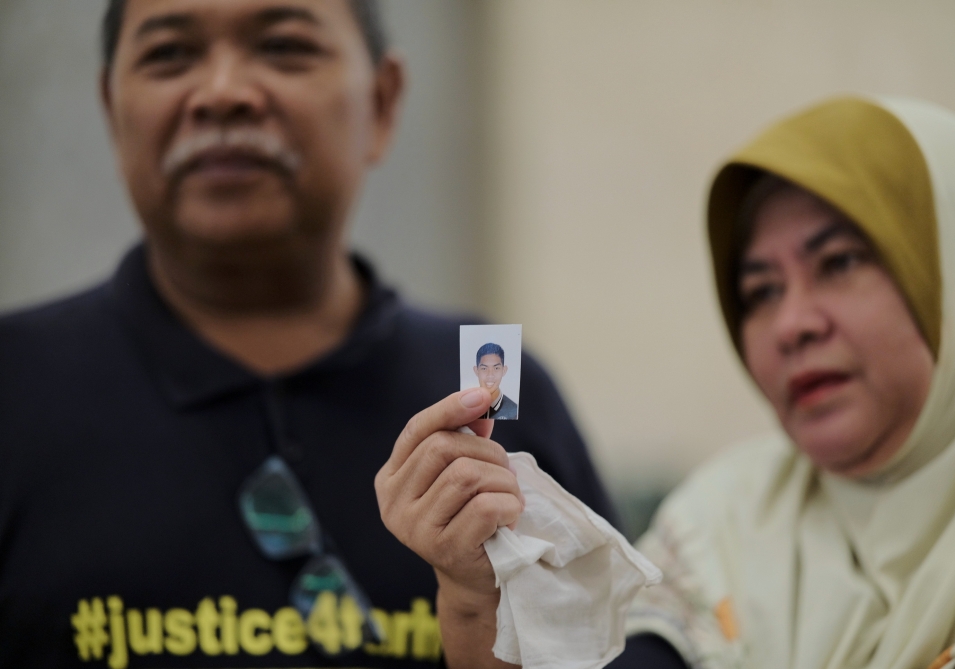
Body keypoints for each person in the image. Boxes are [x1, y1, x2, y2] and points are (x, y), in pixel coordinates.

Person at [0, 1, 615, 667]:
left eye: (284, 47)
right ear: (110, 108)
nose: (224, 92)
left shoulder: (490, 387)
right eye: (170, 55)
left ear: (382, 103)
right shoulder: (14, 386)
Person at [376, 95, 955, 669]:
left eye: (839, 263)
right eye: (760, 291)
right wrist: (473, 596)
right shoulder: (720, 528)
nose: (791, 325)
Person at [474, 343, 518, 420]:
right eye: (484, 368)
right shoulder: (466, 406)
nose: (490, 375)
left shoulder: (514, 412)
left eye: (496, 368)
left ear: (504, 370)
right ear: (476, 371)